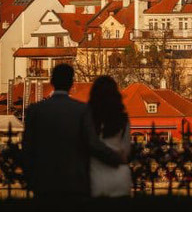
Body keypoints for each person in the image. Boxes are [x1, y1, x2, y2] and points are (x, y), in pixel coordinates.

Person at [22, 64, 126, 199]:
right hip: (75, 180)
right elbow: (93, 143)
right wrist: (116, 158)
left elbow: (27, 147)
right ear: (71, 83)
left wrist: (30, 176)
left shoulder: (35, 110)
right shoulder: (81, 110)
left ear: (52, 81)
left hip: (44, 180)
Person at [88, 75, 132, 197]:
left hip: (95, 174)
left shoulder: (88, 117)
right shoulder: (122, 118)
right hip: (119, 175)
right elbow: (126, 151)